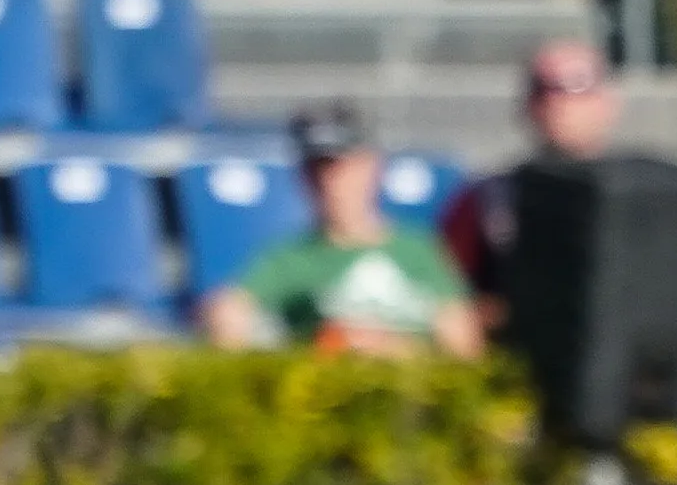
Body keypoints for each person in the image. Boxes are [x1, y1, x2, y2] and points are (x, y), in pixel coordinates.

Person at [200, 106, 480, 359]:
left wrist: (395, 348)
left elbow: (462, 338)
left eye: (340, 168)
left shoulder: (418, 250)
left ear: (371, 167)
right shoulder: (291, 258)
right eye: (317, 171)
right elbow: (230, 309)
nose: (329, 183)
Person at [436, 34, 620, 342]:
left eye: (577, 86)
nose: (559, 103)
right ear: (526, 105)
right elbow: (450, 300)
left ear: (607, 102)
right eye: (544, 88)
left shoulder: (646, 199)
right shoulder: (488, 199)